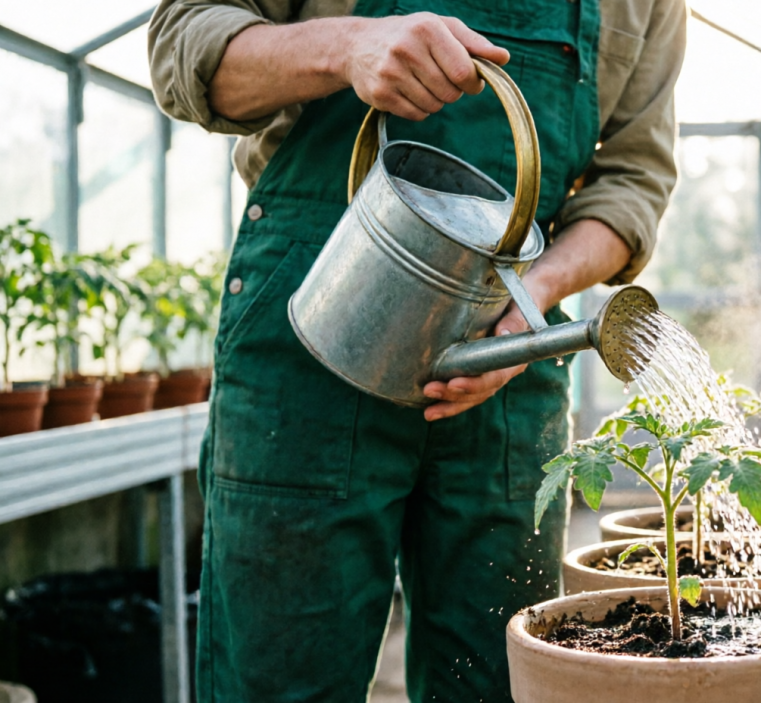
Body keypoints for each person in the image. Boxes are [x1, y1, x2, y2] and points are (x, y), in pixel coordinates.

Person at [147, 1, 684, 700]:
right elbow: (181, 43)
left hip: (505, 357)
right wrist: (348, 48)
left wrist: (532, 298)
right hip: (316, 323)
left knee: (494, 676)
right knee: (282, 676)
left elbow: (635, 179)